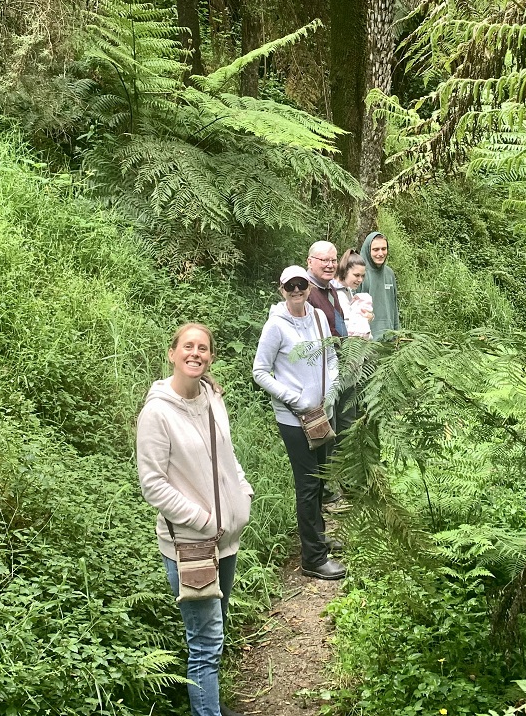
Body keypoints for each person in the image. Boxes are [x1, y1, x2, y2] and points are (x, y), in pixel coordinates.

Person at [137, 324, 254, 716]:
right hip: (190, 545)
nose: (195, 353)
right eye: (188, 346)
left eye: (202, 348)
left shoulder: (212, 396)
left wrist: (243, 492)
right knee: (205, 642)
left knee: (214, 635)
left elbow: (227, 452)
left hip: (227, 538)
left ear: (211, 357)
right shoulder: (156, 413)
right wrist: (204, 520)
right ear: (172, 353)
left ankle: (212, 708)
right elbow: (153, 485)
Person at [252, 266, 346, 581]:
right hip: (295, 420)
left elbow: (330, 357)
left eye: (301, 285)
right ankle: (313, 559)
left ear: (308, 287)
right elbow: (260, 371)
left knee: (320, 480)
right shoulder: (275, 327)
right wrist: (295, 398)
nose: (296, 291)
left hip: (323, 413)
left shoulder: (318, 317)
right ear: (281, 290)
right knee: (307, 486)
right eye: (290, 286)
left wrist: (331, 389)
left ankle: (318, 538)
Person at [359, 231, 400, 338]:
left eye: (384, 249)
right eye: (375, 249)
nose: (380, 253)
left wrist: (397, 334)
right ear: (368, 250)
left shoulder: (389, 273)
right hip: (367, 341)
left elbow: (394, 308)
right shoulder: (360, 274)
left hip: (389, 338)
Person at [305, 241, 347, 338]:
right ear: (310, 262)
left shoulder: (331, 288)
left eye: (334, 261)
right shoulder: (304, 292)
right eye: (325, 260)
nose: (330, 265)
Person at [333, 249, 371, 340]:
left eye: (362, 276)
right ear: (345, 271)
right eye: (356, 275)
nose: (360, 280)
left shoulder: (347, 290)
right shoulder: (335, 293)